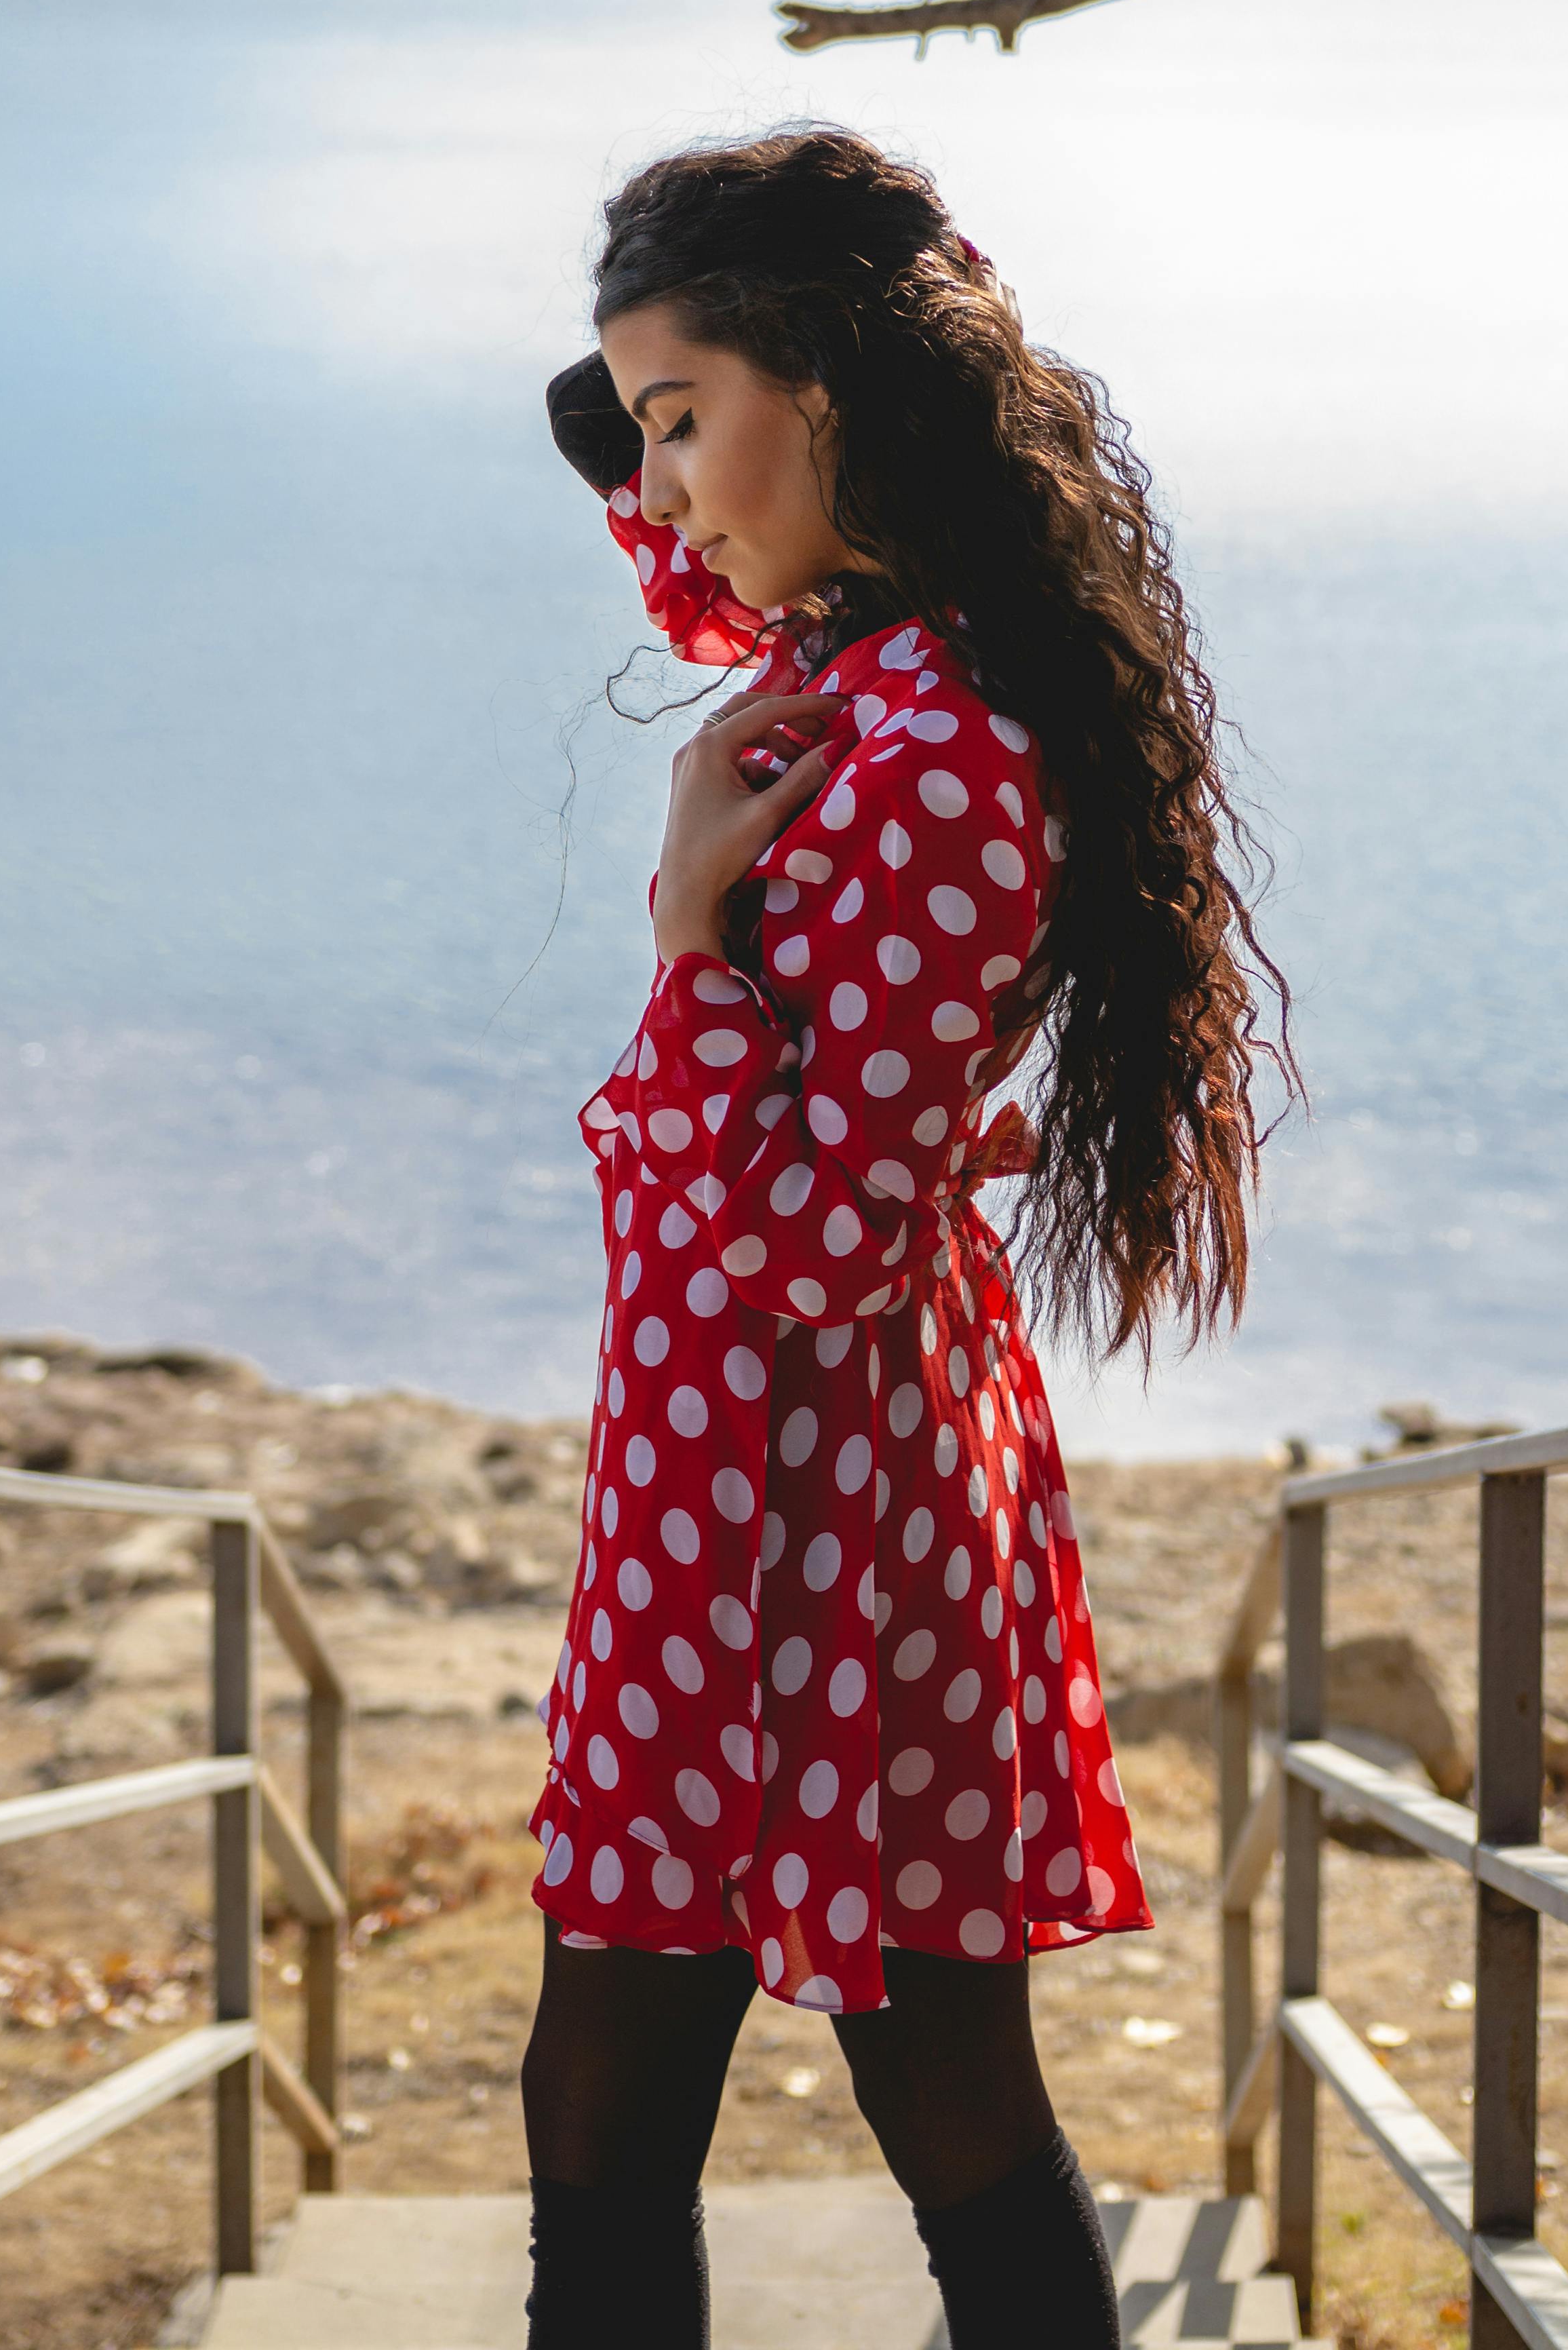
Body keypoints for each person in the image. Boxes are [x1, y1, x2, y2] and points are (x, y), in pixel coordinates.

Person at [522, 129, 1288, 2348]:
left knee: (669, 2100)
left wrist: (690, 929)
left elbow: (820, 1244)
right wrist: (689, 476)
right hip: (754, 1493)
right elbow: (846, 1168)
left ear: (838, 379)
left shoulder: (934, 748)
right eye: (640, 436)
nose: (659, 500)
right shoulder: (877, 675)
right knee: (845, 2087)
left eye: (682, 418)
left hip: (802, 1510)